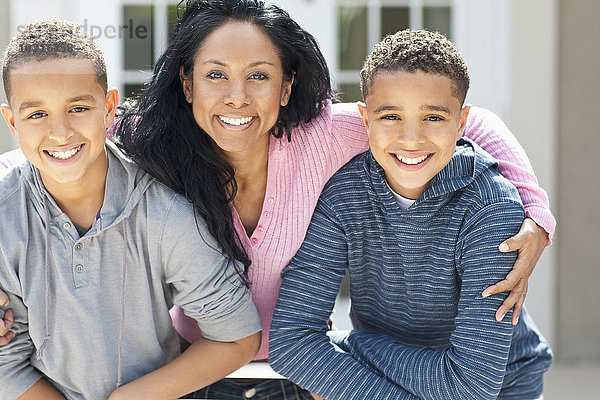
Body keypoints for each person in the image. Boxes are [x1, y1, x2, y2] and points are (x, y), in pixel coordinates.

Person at [0, 1, 555, 399]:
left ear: (286, 87)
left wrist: (536, 215)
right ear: (188, 84)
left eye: (258, 76)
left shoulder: (329, 135)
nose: (236, 96)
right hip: (203, 370)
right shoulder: (152, 143)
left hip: (310, 372)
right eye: (215, 75)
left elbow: (466, 121)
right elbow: (50, 147)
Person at [269, 29, 553, 400]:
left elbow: (470, 386)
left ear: (462, 122)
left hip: (503, 386)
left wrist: (353, 345)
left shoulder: (492, 209)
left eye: (434, 118)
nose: (411, 139)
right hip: (382, 384)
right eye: (390, 116)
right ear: (365, 119)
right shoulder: (343, 196)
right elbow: (290, 342)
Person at [0, 19, 261, 399]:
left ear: (108, 109)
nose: (60, 132)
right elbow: (7, 362)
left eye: (78, 108)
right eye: (36, 114)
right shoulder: (6, 220)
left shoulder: (165, 214)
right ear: (12, 122)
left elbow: (237, 337)